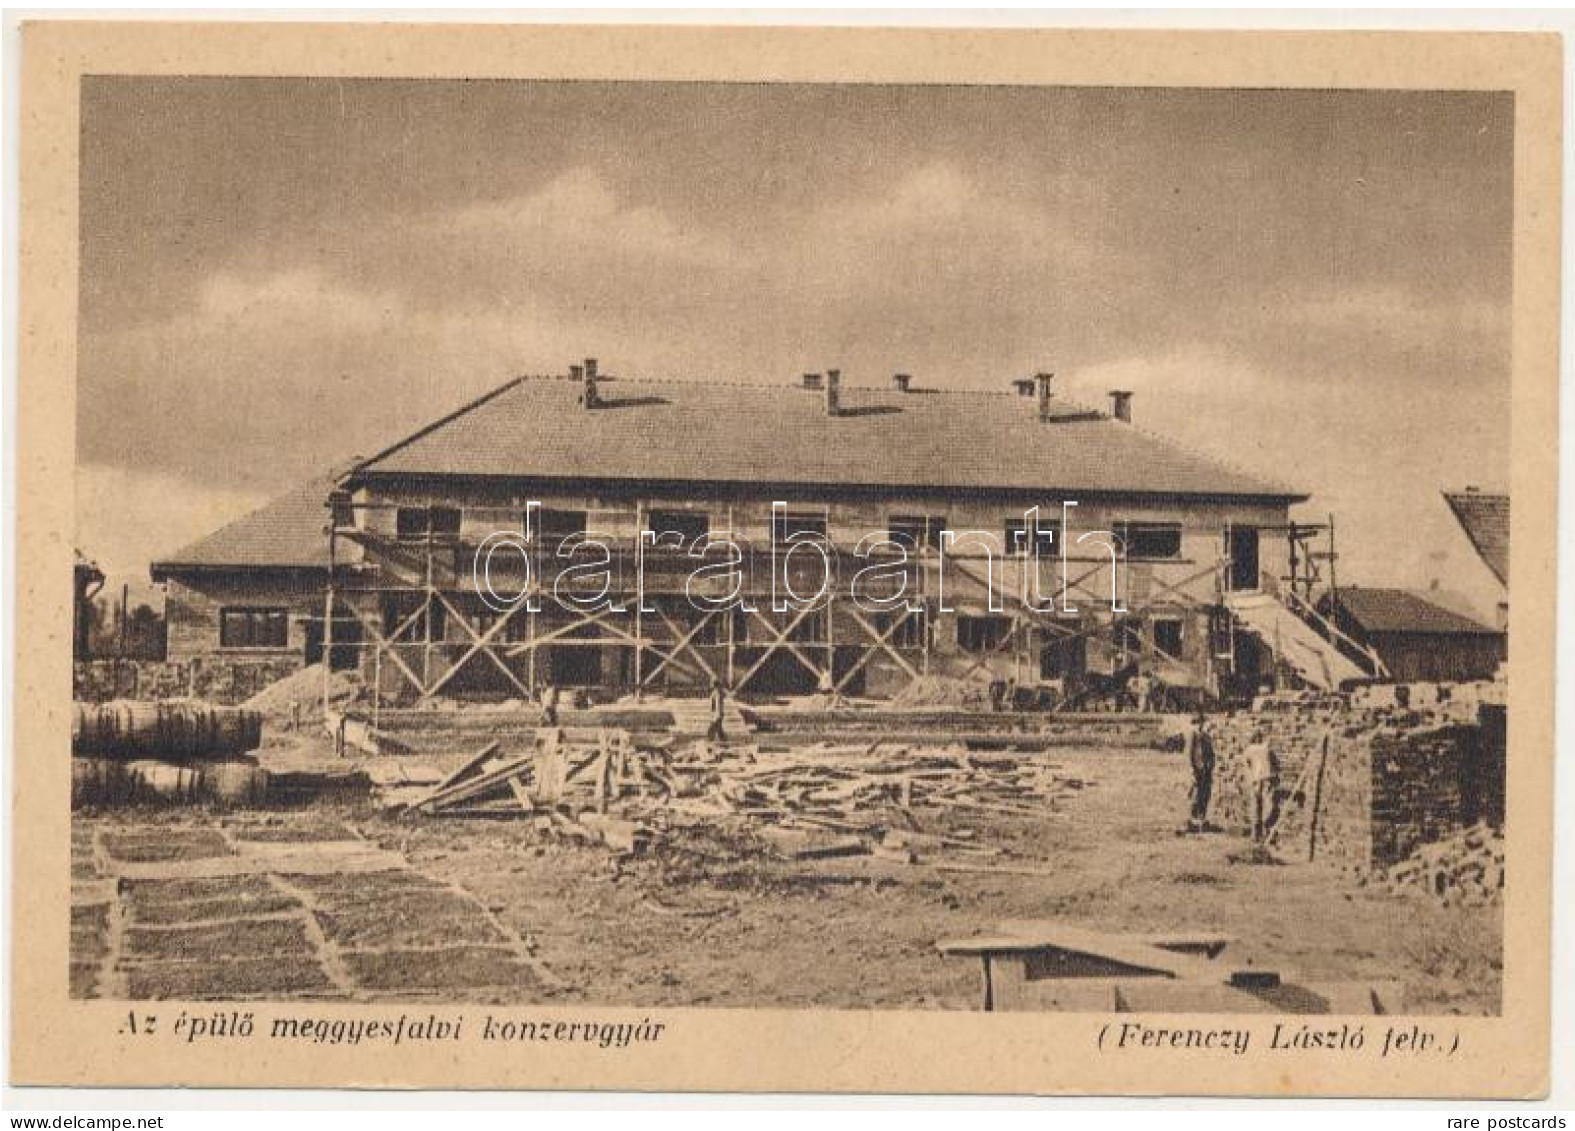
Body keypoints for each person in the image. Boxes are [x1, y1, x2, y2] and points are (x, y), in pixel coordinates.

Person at [1245, 730, 1281, 841]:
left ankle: (1255, 834)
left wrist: (1250, 778)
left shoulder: (1249, 750)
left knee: (1255, 807)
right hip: (1266, 779)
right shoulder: (1266, 749)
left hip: (1255, 780)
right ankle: (1266, 830)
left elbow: (1246, 766)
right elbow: (1277, 765)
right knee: (1267, 806)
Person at [1186, 711, 1215, 832]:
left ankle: (1202, 819)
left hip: (1206, 770)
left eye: (1200, 723)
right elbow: (1189, 754)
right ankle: (1193, 820)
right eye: (1196, 723)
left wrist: (1210, 765)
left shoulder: (1206, 737)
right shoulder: (1192, 736)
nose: (1199, 725)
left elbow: (1211, 754)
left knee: (1205, 794)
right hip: (1197, 769)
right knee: (1196, 795)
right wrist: (1192, 769)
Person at [706, 677, 728, 743]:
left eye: (711, 683)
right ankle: (724, 740)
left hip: (717, 713)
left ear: (714, 684)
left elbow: (718, 704)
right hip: (717, 713)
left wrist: (717, 715)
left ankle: (710, 741)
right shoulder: (717, 692)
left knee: (711, 729)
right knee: (718, 729)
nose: (710, 684)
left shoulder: (717, 693)